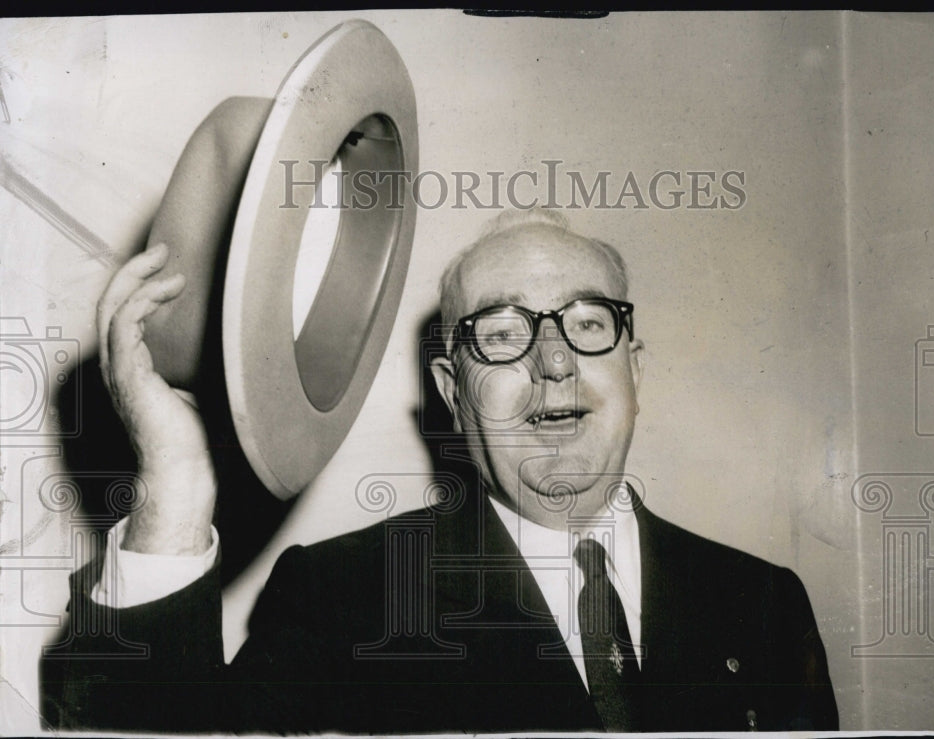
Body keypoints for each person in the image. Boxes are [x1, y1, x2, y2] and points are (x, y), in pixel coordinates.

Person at [40, 111, 838, 733]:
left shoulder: (763, 603)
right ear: (453, 393)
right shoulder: (342, 599)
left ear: (635, 369)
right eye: (502, 333)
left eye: (588, 322)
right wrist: (174, 486)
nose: (554, 361)